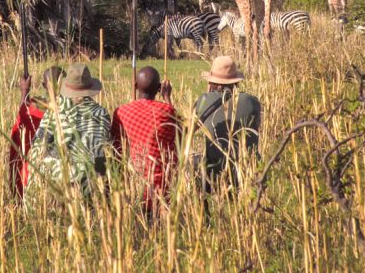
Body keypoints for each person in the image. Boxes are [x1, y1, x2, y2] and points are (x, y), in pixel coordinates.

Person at [26, 63, 111, 200]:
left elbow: (38, 146)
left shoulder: (55, 110)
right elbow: (104, 150)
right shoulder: (102, 113)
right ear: (91, 88)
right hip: (91, 184)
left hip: (57, 181)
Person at [111, 66, 180, 214]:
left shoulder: (121, 112)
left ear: (135, 86)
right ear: (158, 89)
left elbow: (116, 151)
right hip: (163, 188)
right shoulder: (167, 111)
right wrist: (167, 97)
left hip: (135, 187)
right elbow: (180, 138)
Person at [194, 55, 261, 194]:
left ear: (214, 84)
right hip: (248, 173)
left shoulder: (204, 101)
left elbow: (185, 133)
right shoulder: (252, 101)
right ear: (236, 82)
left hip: (216, 174)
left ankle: (203, 211)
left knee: (193, 162)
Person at [8, 66, 64, 200]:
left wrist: (25, 92)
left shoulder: (34, 110)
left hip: (35, 176)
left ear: (44, 85)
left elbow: (22, 122)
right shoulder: (74, 110)